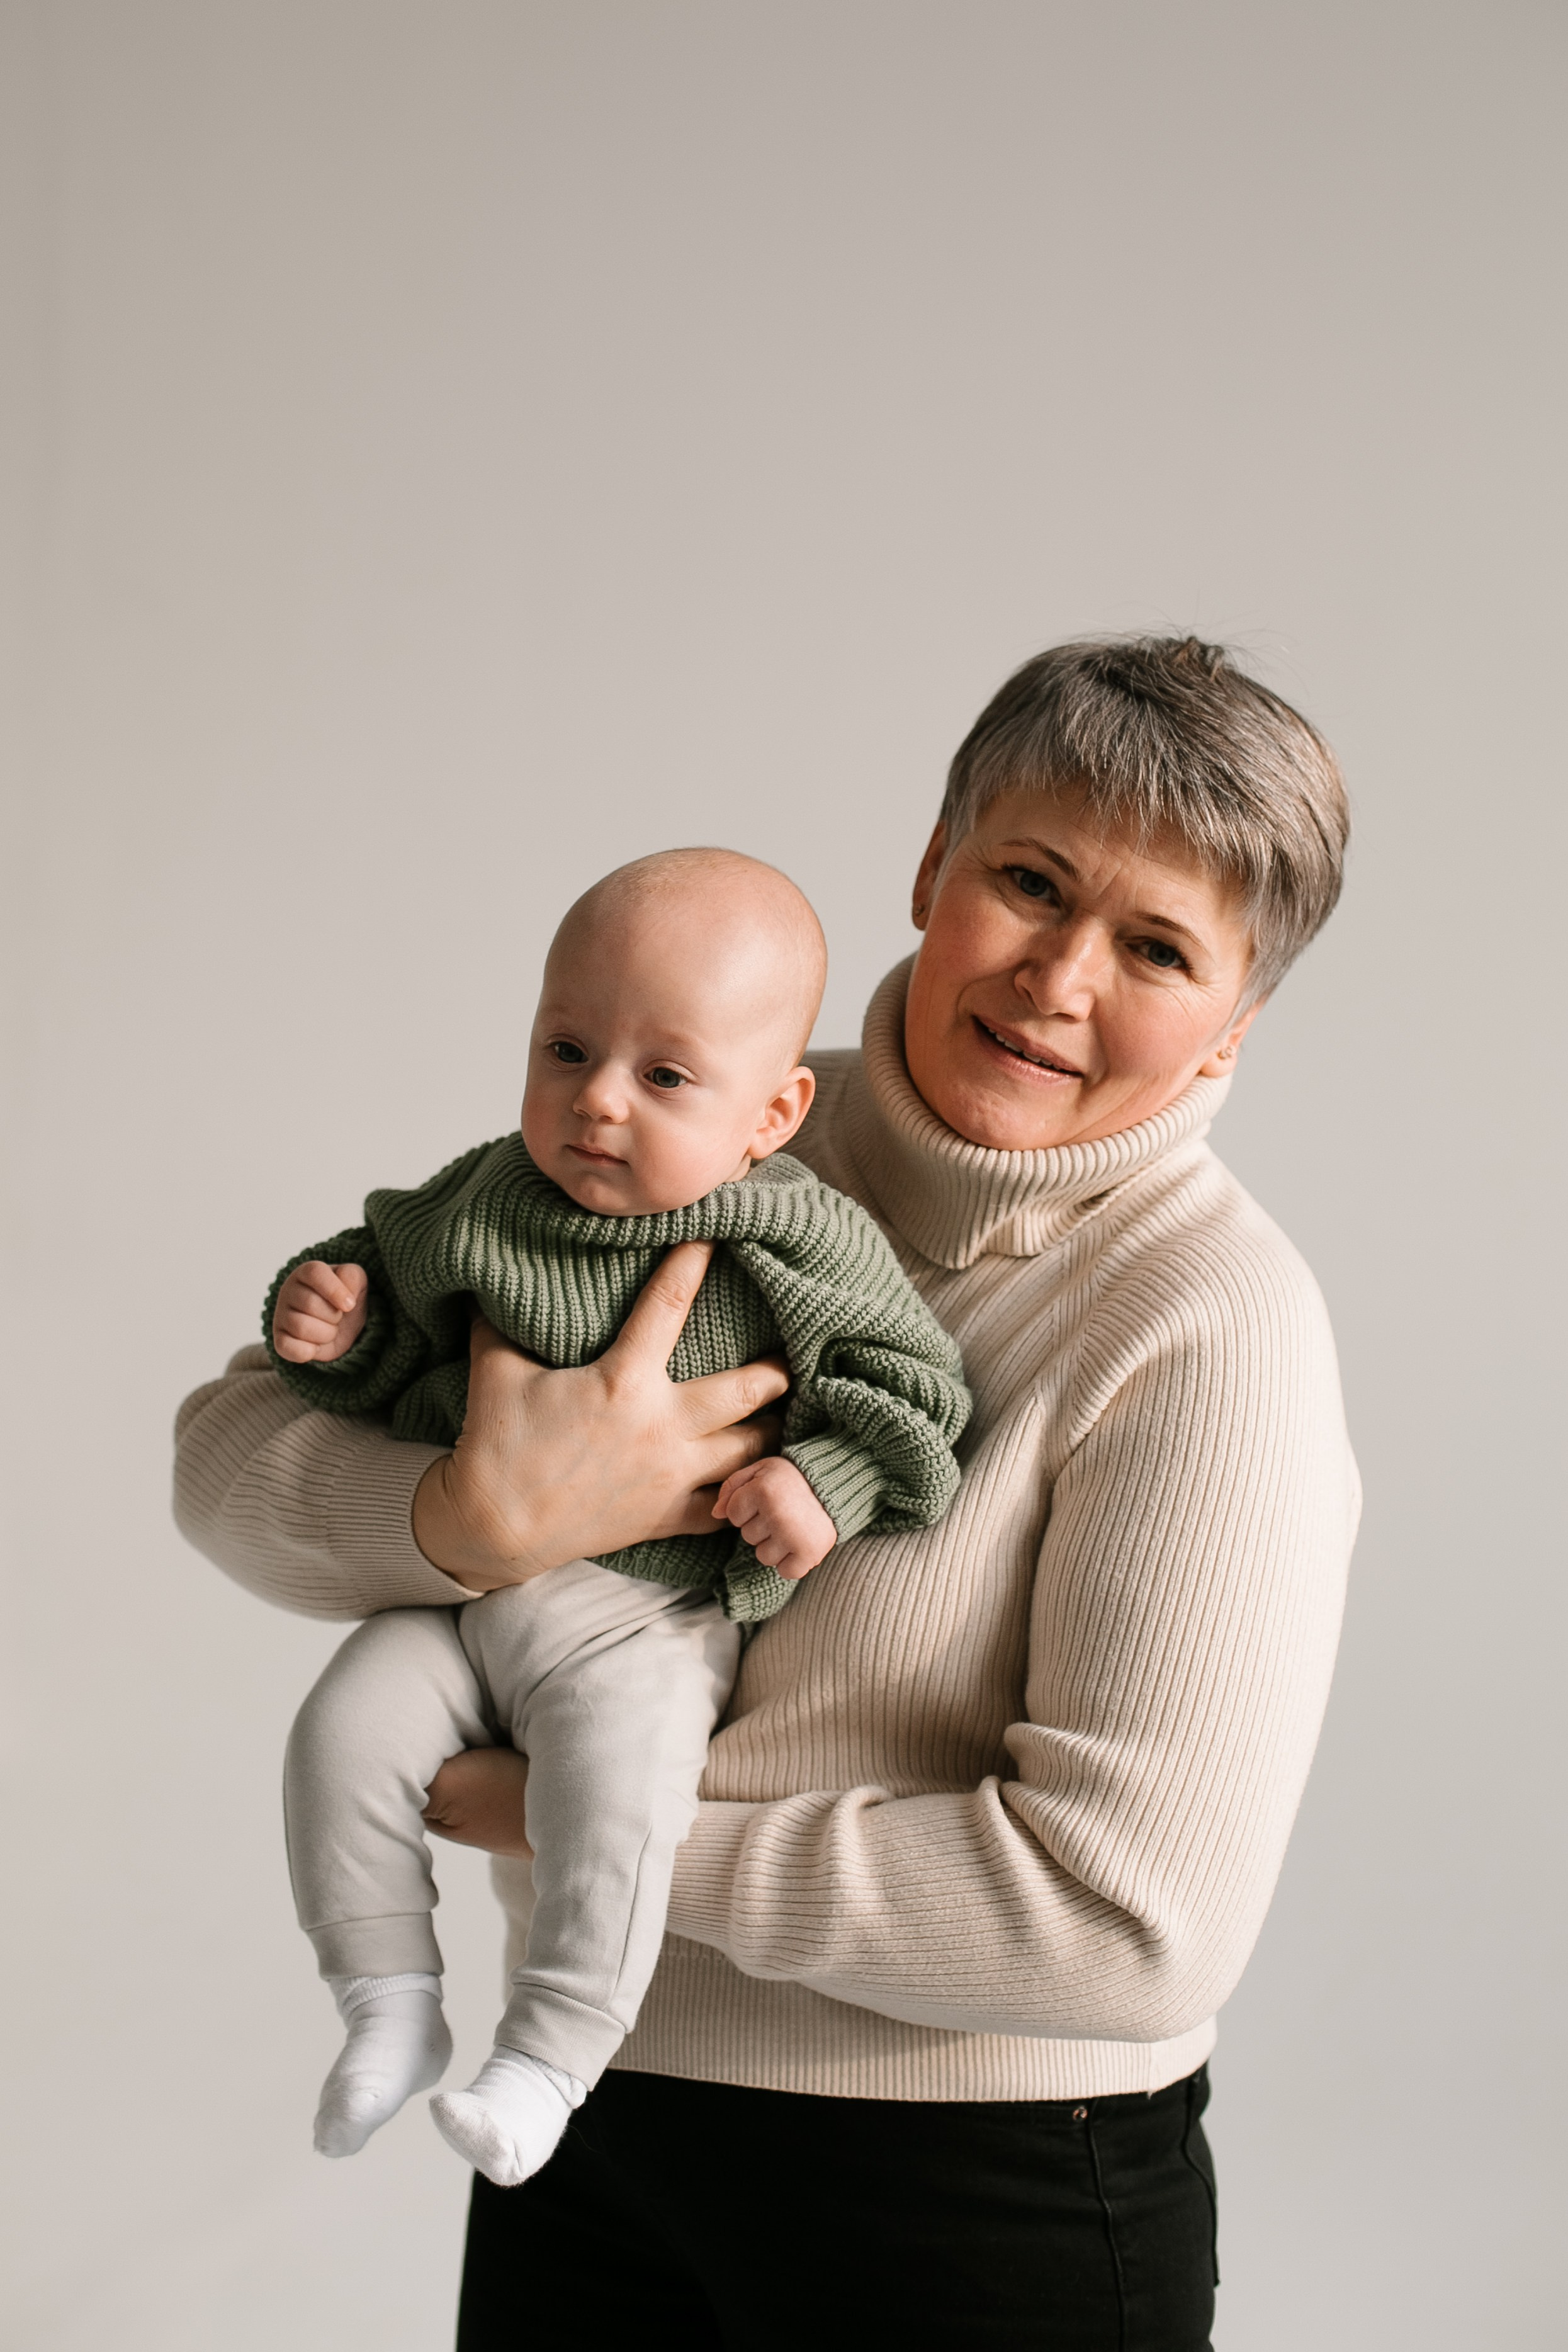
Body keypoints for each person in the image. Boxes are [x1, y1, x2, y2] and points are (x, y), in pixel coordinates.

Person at [175, 636, 1359, 2350]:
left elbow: (1128, 1929)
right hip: (589, 2143)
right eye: (1026, 883)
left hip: (985, 2202)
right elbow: (229, 1463)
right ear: (929, 869)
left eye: (1157, 948)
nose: (1057, 981)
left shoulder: (1208, 1320)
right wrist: (478, 1523)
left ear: (1232, 1021)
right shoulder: (699, 1119)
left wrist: (582, 1826)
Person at [265, 849, 967, 2187]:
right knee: (342, 1730)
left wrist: (824, 1480)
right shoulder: (481, 1198)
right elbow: (392, 1350)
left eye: (662, 1075)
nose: (594, 1101)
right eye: (566, 1047)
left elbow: (915, 1387)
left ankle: (549, 2055)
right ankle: (386, 1999)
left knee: (615, 1797)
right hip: (462, 1602)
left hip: (640, 1615)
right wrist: (330, 1329)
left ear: (772, 1112)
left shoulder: (790, 1234)